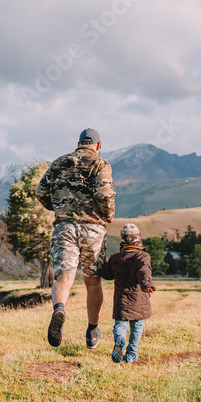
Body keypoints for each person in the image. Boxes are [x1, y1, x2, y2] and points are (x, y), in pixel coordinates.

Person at [35, 127, 115, 349]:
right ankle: (92, 330)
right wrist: (108, 216)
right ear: (97, 145)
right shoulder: (101, 164)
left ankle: (59, 308)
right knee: (93, 280)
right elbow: (105, 194)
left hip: (64, 227)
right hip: (93, 229)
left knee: (64, 278)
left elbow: (40, 191)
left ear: (79, 143)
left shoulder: (59, 162)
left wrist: (60, 207)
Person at [99, 223, 155, 363]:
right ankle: (131, 354)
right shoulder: (142, 256)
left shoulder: (116, 258)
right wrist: (147, 284)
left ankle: (119, 342)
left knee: (120, 325)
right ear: (138, 238)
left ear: (122, 239)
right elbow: (143, 271)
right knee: (137, 327)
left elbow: (107, 274)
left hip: (121, 300)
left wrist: (102, 261)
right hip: (138, 299)